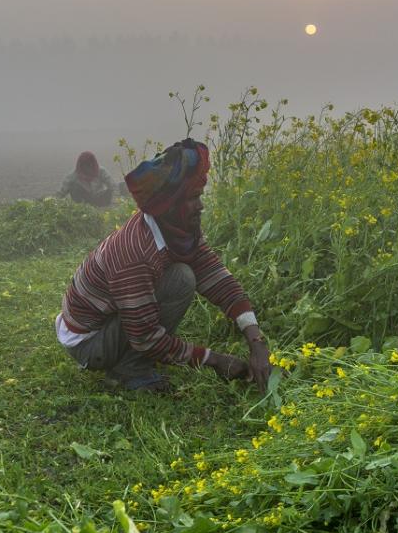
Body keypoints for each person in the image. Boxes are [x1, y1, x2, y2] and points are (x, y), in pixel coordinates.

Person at [55, 138, 272, 393]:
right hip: (90, 343)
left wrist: (256, 342)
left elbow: (216, 277)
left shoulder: (179, 231)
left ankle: (129, 361)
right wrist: (216, 360)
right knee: (182, 278)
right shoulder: (135, 253)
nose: (200, 205)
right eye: (193, 198)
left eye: (199, 196)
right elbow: (145, 337)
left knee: (183, 275)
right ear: (169, 207)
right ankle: (128, 370)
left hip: (110, 318)